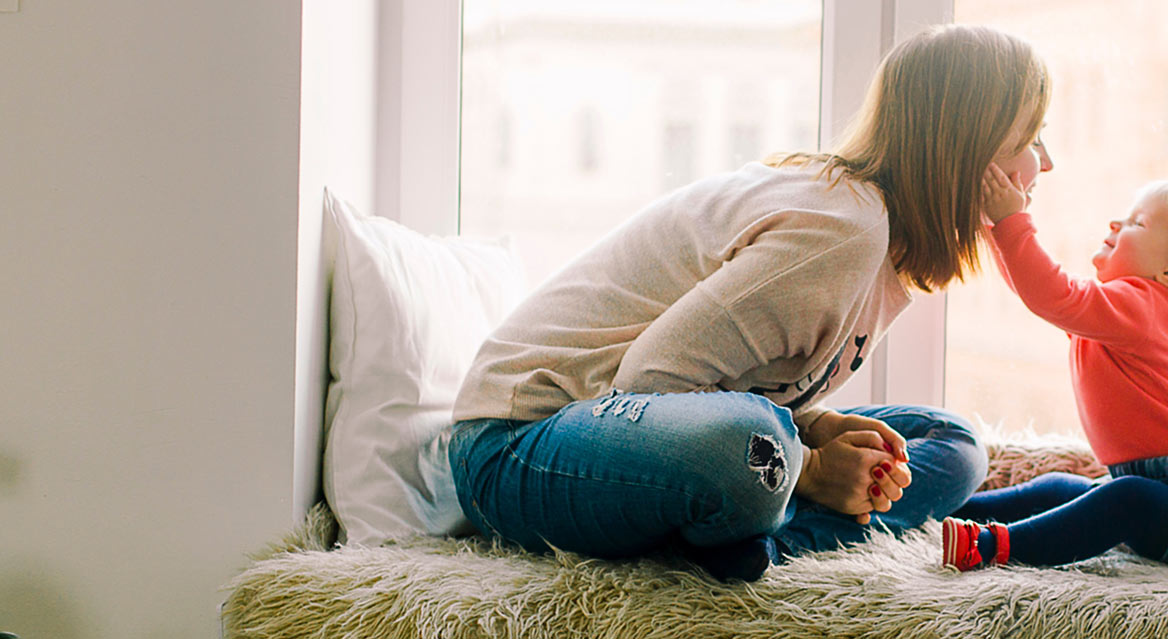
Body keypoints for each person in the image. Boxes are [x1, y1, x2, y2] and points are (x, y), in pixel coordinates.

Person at [427, 24, 1052, 582]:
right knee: (756, 450)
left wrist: (817, 427)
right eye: (1030, 137)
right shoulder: (843, 230)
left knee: (954, 442)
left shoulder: (881, 241)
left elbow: (732, 383)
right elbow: (647, 380)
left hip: (641, 429)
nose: (1043, 163)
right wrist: (808, 466)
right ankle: (767, 512)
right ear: (968, 148)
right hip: (517, 445)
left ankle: (761, 543)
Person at [940, 170, 1168, 570]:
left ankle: (994, 546)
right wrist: (994, 227)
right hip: (1164, 486)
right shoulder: (1123, 313)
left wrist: (1009, 223)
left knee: (1126, 500)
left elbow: (1050, 293)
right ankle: (946, 512)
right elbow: (1037, 293)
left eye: (1137, 223)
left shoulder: (1142, 308)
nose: (1116, 223)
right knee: (1059, 488)